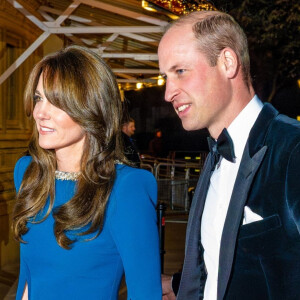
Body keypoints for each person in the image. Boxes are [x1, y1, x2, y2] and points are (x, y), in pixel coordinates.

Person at [158, 10, 300, 300]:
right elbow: (228, 260)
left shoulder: (292, 149)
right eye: (165, 77)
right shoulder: (215, 155)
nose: (168, 92)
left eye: (180, 71)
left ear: (227, 62)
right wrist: (176, 283)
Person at [12, 45, 162, 300]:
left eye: (57, 102)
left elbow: (145, 292)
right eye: (38, 98)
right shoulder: (28, 173)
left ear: (91, 108)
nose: (39, 113)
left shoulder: (126, 187)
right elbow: (29, 278)